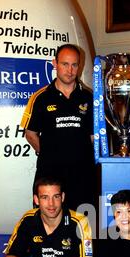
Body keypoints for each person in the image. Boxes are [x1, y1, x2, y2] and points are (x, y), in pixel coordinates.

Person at [20, 43, 95, 210]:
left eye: (74, 65)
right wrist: (51, 155)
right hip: (50, 177)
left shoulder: (89, 97)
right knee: (48, 226)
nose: (70, 70)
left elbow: (93, 137)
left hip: (82, 176)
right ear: (55, 63)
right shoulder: (40, 98)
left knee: (83, 225)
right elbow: (30, 134)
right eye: (65, 64)